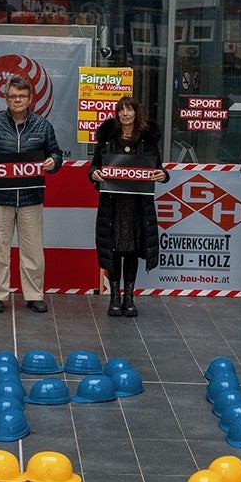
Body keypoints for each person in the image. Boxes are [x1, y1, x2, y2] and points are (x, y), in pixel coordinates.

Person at [0, 75, 64, 313]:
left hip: (31, 198)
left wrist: (53, 161)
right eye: (13, 96)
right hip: (0, 198)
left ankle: (34, 295)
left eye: (22, 96)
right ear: (6, 99)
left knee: (33, 250)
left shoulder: (43, 126)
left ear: (30, 98)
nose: (17, 100)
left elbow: (56, 153)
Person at [89, 97, 163, 318]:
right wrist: (93, 173)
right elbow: (94, 165)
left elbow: (157, 167)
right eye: (121, 110)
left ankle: (129, 296)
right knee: (113, 249)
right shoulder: (107, 140)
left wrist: (163, 174)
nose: (125, 114)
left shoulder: (147, 140)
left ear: (136, 113)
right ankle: (114, 296)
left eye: (129, 110)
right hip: (112, 203)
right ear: (117, 114)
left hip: (137, 204)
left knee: (131, 250)